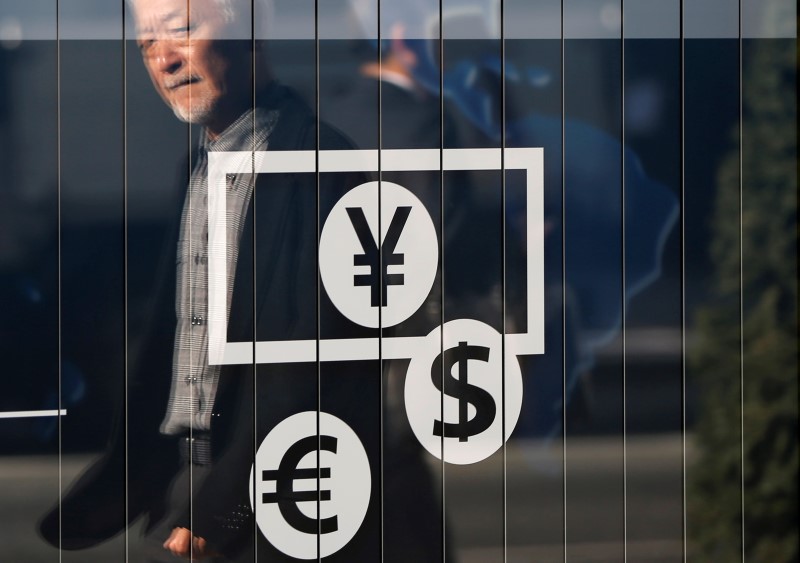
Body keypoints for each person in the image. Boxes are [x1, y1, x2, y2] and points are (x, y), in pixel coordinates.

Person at [41, 0, 376, 560]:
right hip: (192, 476)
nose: (163, 59)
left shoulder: (318, 160)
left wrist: (226, 505)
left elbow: (312, 363)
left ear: (251, 29)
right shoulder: (197, 167)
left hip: (270, 486)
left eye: (181, 30)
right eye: (147, 42)